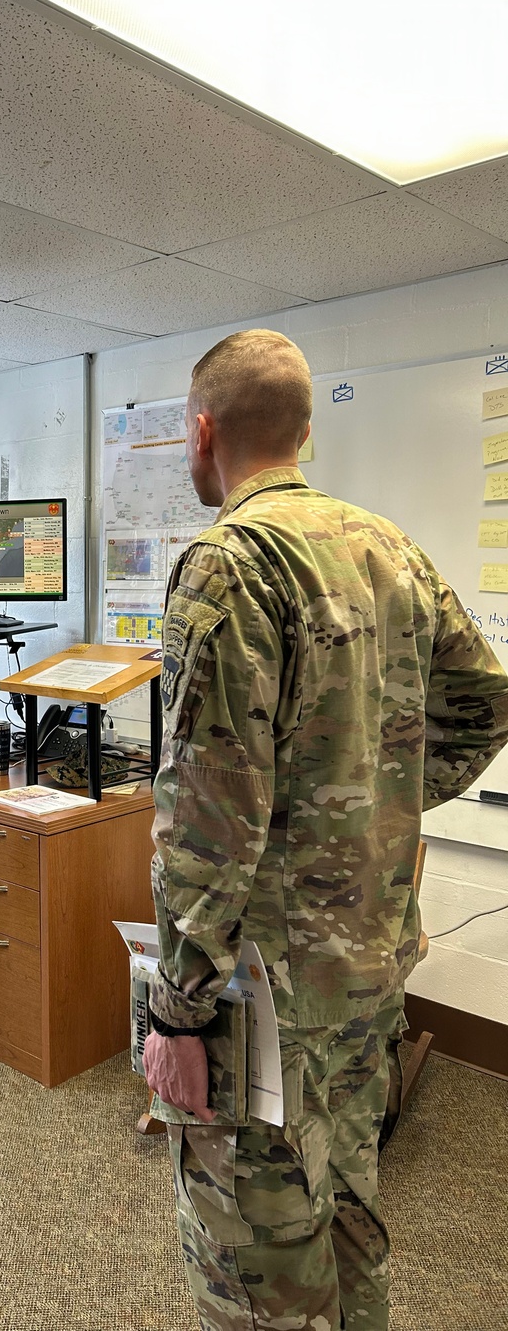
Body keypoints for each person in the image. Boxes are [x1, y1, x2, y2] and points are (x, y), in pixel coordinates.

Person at [142, 330, 508, 1331]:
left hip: (261, 981)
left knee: (254, 1239)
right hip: (368, 955)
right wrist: (377, 806)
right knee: (346, 1196)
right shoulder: (388, 545)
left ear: (203, 430)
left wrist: (176, 1010)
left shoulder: (228, 561)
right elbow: (485, 701)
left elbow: (206, 812)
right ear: (304, 430)